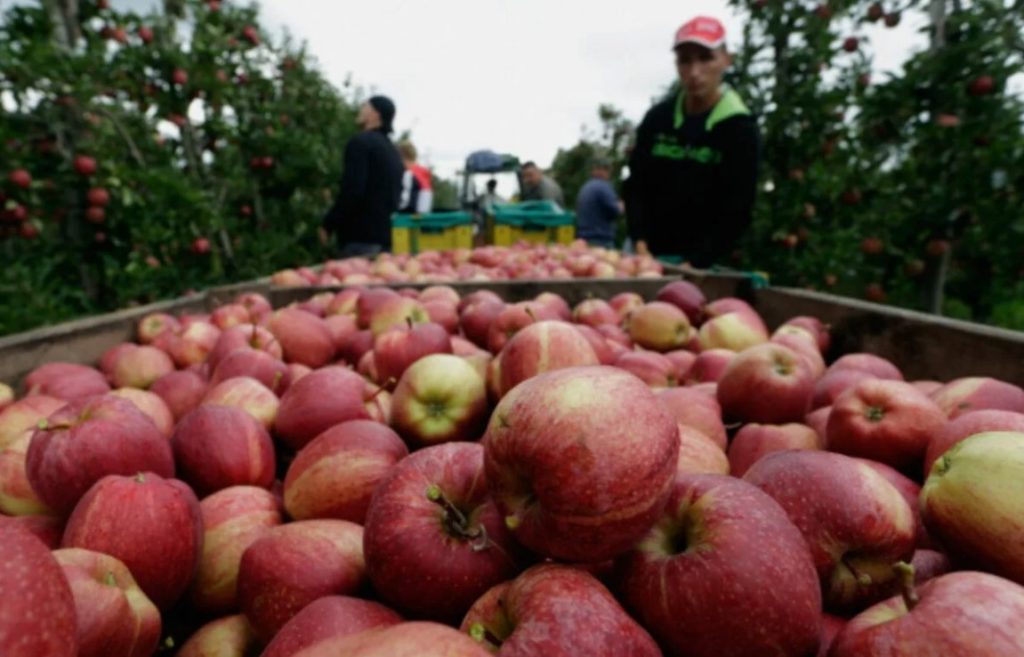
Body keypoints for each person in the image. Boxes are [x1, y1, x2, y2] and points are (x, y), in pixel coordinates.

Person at [626, 16, 760, 268]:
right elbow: (635, 185)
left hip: (705, 265)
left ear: (726, 60)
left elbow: (738, 208)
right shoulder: (658, 119)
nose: (694, 72)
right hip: (648, 259)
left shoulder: (739, 128)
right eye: (685, 60)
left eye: (705, 58)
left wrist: (696, 262)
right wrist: (639, 241)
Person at [322, 95, 405, 257]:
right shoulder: (393, 151)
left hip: (358, 239)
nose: (360, 109)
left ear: (375, 114)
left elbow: (352, 189)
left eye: (365, 106)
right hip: (385, 240)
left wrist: (329, 223)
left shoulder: (360, 143)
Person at [575, 157, 624, 249]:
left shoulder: (585, 187)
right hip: (601, 241)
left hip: (583, 240)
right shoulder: (604, 187)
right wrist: (621, 206)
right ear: (604, 171)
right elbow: (615, 211)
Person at [397, 140, 434, 215]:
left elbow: (405, 202)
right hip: (423, 215)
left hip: (409, 217)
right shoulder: (423, 172)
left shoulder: (409, 174)